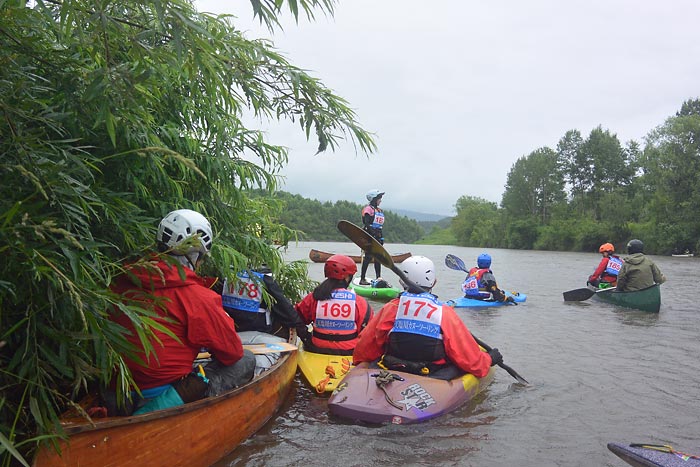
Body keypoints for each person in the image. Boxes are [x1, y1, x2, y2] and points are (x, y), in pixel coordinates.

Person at [110, 209, 255, 414]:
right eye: (202, 258)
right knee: (246, 360)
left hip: (117, 391)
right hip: (163, 393)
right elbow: (232, 353)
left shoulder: (121, 279)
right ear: (193, 255)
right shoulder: (197, 297)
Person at [353, 255, 501, 380]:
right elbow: (471, 362)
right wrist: (489, 359)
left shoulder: (391, 308)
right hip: (433, 374)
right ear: (434, 282)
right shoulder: (444, 312)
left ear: (401, 282)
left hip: (394, 365)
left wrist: (363, 364)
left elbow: (364, 348)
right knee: (461, 365)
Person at [294, 254, 373, 355]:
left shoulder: (314, 297)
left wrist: (305, 335)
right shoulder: (359, 301)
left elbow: (297, 317)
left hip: (317, 349)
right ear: (347, 277)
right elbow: (367, 331)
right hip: (348, 352)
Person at [221, 266, 304, 339]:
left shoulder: (226, 276)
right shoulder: (264, 280)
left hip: (231, 325)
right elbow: (284, 308)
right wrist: (303, 331)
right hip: (258, 326)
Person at [359, 188, 385, 285]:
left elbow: (379, 226)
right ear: (374, 199)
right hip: (369, 235)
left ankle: (378, 277)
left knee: (378, 257)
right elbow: (366, 223)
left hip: (378, 236)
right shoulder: (368, 209)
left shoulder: (379, 210)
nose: (380, 200)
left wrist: (379, 236)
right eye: (379, 198)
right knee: (368, 257)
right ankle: (362, 279)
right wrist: (372, 234)